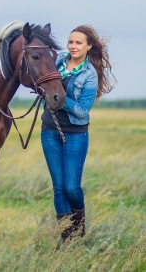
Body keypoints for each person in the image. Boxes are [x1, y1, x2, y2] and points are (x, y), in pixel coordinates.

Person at [40, 25, 116, 244]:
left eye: (78, 43)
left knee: (71, 187)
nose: (72, 46)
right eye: (71, 42)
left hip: (75, 133)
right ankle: (66, 238)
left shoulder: (90, 74)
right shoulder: (58, 61)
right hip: (50, 131)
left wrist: (59, 98)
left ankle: (79, 227)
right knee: (58, 188)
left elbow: (83, 110)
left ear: (89, 46)